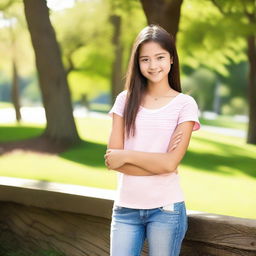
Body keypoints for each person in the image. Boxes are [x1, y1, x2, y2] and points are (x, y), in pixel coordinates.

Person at [104, 24, 200, 256]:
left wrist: (126, 156)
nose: (153, 65)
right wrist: (157, 164)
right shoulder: (124, 100)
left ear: (171, 59)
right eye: (145, 59)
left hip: (166, 210)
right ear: (137, 63)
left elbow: (170, 164)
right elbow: (111, 160)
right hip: (125, 209)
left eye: (160, 57)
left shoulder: (184, 105)